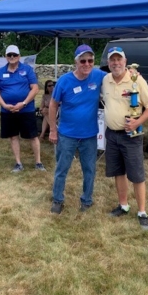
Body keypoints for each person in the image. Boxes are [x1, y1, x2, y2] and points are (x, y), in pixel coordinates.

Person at [101, 46, 148, 230]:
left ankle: (142, 212)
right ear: (108, 63)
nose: (116, 63)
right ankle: (123, 205)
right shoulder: (105, 79)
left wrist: (137, 122)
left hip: (130, 136)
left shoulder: (136, 79)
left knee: (137, 175)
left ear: (125, 62)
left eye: (119, 59)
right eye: (112, 60)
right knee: (118, 172)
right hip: (112, 135)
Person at [49, 44, 106, 214]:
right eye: (83, 60)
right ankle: (58, 199)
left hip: (89, 135)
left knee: (89, 170)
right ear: (76, 62)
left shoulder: (98, 75)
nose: (87, 64)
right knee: (61, 169)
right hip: (67, 135)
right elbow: (53, 105)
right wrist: (53, 129)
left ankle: (87, 200)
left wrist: (132, 73)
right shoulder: (64, 81)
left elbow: (117, 76)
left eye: (90, 60)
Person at [0, 45, 45, 172]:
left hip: (26, 109)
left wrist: (24, 103)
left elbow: (35, 88)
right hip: (7, 110)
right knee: (13, 136)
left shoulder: (27, 70)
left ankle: (38, 162)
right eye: (9, 55)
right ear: (5, 57)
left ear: (19, 56)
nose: (12, 57)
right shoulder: (0, 72)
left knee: (33, 136)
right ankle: (18, 163)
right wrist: (4, 105)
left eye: (14, 55)